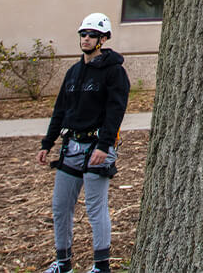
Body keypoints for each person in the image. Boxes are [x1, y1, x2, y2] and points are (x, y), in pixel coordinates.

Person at [37, 14, 130, 273]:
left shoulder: (114, 72)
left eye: (91, 34)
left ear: (103, 38)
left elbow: (116, 110)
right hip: (71, 146)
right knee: (61, 206)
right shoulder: (74, 72)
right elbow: (60, 110)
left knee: (95, 205)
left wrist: (104, 145)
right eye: (83, 34)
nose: (86, 38)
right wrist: (47, 143)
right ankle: (63, 262)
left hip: (97, 147)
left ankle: (101, 266)